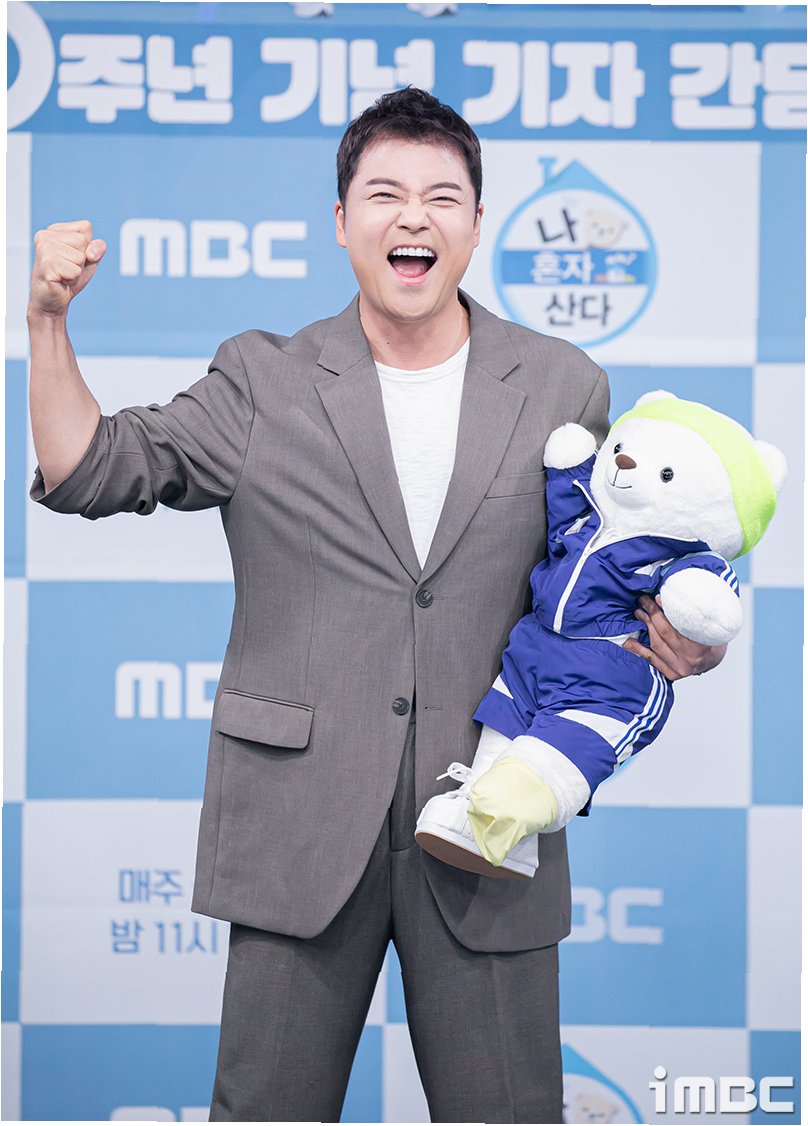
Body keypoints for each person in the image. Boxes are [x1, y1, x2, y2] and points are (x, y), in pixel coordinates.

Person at [27, 88, 724, 1124]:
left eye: (442, 197)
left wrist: (681, 636)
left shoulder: (562, 385)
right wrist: (46, 320)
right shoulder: (263, 380)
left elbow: (608, 565)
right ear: (341, 219)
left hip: (487, 816)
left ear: (476, 224)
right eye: (385, 193)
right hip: (297, 825)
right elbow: (89, 468)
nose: (414, 217)